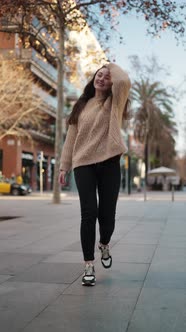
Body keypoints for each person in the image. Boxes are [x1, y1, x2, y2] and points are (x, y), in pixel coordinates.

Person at [59, 62, 131, 286]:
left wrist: (109, 65)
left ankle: (104, 244)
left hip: (109, 163)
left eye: (106, 77)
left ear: (111, 84)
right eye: (99, 75)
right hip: (83, 164)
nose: (102, 79)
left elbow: (123, 81)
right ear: (93, 79)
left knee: (107, 215)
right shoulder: (81, 105)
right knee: (88, 213)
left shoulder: (114, 103)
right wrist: (64, 165)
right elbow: (71, 138)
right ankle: (88, 265)